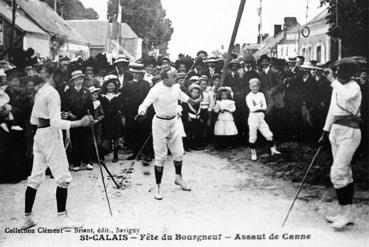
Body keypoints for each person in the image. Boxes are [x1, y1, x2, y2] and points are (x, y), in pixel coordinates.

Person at [22, 62, 94, 230]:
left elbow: (34, 119)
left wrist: (52, 118)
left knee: (35, 177)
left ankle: (27, 219)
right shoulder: (53, 93)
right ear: (52, 75)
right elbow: (55, 122)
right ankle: (62, 219)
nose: (63, 79)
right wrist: (80, 122)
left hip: (39, 134)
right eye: (60, 75)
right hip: (50, 136)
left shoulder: (41, 91)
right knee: (64, 178)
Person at [136, 68, 202, 200]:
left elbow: (188, 99)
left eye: (177, 75)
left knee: (179, 152)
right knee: (160, 157)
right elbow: (144, 105)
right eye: (174, 76)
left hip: (174, 122)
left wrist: (198, 99)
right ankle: (158, 187)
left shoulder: (176, 87)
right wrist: (141, 113)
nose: (177, 77)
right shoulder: (156, 89)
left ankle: (178, 178)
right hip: (160, 124)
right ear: (165, 79)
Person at [319, 59, 362, 230]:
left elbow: (347, 95)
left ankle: (346, 214)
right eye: (337, 71)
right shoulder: (337, 87)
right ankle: (346, 214)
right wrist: (325, 131)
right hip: (336, 132)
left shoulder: (353, 86)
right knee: (345, 173)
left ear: (350, 73)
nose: (338, 74)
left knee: (337, 172)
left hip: (350, 133)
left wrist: (331, 80)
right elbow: (332, 110)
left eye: (342, 71)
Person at [62, 70, 94, 171]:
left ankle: (86, 162)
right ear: (73, 81)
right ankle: (76, 163)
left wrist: (90, 117)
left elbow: (90, 107)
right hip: (73, 119)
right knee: (75, 142)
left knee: (86, 141)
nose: (79, 81)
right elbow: (65, 107)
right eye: (76, 80)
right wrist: (69, 114)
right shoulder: (68, 92)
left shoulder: (86, 91)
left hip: (84, 119)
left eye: (80, 79)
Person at [246, 78, 281, 161]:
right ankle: (253, 152)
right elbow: (252, 109)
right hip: (253, 117)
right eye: (253, 86)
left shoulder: (261, 94)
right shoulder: (248, 96)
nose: (255, 88)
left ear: (259, 87)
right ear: (250, 87)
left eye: (256, 86)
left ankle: (273, 150)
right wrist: (259, 105)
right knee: (253, 136)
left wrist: (257, 106)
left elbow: (265, 107)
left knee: (268, 133)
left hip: (261, 116)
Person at [125, 62, 152, 161]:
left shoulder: (145, 84)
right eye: (134, 73)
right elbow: (125, 98)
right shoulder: (128, 84)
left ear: (142, 74)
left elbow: (149, 98)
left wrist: (145, 111)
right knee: (133, 132)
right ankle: (135, 153)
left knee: (144, 132)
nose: (136, 75)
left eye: (138, 73)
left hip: (143, 111)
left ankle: (147, 153)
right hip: (131, 112)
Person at [100, 75, 123, 163]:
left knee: (115, 137)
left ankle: (115, 155)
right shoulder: (102, 96)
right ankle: (102, 156)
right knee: (105, 137)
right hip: (106, 119)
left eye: (113, 85)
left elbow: (120, 106)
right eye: (109, 85)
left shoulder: (118, 95)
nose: (111, 87)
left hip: (115, 118)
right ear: (106, 86)